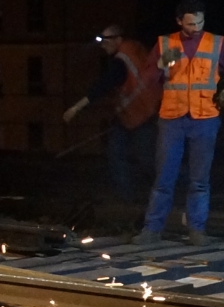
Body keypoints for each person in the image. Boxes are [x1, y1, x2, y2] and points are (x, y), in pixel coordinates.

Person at [136, 0, 224, 246]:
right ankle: (152, 230)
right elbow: (146, 78)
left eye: (199, 22)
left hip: (205, 118)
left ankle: (196, 230)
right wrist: (160, 64)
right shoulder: (164, 43)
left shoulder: (217, 43)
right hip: (172, 119)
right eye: (190, 24)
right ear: (179, 22)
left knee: (199, 180)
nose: (196, 27)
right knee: (164, 178)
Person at [63, 24, 162, 204]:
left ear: (118, 40)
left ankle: (151, 196)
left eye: (105, 40)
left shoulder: (120, 63)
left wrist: (75, 108)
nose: (102, 45)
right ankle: (130, 198)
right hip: (128, 116)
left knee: (143, 159)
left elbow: (102, 86)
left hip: (142, 115)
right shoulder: (134, 49)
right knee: (117, 154)